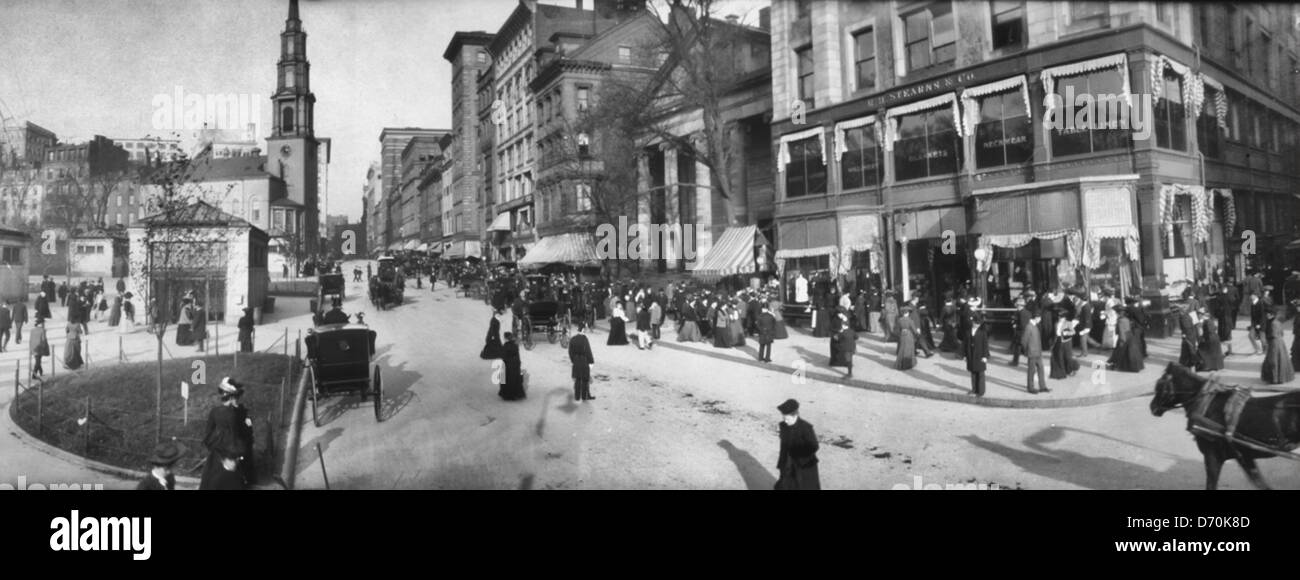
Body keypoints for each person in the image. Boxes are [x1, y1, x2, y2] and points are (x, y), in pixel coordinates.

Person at [198, 378, 252, 490]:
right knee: (232, 480)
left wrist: (214, 447)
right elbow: (236, 435)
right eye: (236, 397)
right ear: (232, 397)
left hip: (216, 453)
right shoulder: (234, 414)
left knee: (212, 480)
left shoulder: (214, 411)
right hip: (230, 453)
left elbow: (208, 434)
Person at [774, 399, 820, 490]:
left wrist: (797, 452)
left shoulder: (806, 428)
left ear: (795, 415)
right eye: (783, 418)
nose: (785, 421)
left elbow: (814, 446)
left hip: (803, 466)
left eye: (787, 418)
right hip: (787, 464)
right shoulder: (783, 426)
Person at [1262, 306, 1295, 384]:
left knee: (1273, 361)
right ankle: (1277, 378)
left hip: (1274, 343)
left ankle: (1275, 379)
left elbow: (1273, 334)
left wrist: (1266, 340)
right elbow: (1282, 333)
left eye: (1269, 314)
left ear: (1272, 315)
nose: (1267, 315)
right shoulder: (1276, 321)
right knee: (1279, 360)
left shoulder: (1273, 323)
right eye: (1267, 314)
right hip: (1279, 343)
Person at [1022, 310, 1048, 394]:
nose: (1040, 320)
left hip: (1038, 352)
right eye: (1039, 318)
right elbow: (1024, 341)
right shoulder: (1029, 327)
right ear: (1036, 318)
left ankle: (1042, 386)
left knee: (1041, 369)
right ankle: (1030, 387)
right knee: (1031, 371)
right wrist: (1026, 351)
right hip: (1032, 353)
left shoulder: (1035, 326)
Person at [568, 322, 595, 401]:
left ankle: (577, 396)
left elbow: (570, 352)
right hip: (584, 360)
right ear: (583, 329)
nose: (586, 330)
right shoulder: (584, 339)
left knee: (578, 379)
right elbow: (588, 351)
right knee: (585, 379)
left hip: (576, 361)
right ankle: (584, 396)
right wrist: (591, 361)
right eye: (585, 329)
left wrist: (573, 360)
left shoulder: (573, 339)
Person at [1049, 309, 1080, 379]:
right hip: (1058, 341)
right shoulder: (1056, 323)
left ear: (1064, 317)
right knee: (1059, 357)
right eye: (1059, 316)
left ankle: (1073, 368)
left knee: (1068, 357)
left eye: (1061, 317)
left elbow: (1073, 332)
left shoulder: (1068, 323)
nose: (1059, 318)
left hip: (1067, 342)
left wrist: (1067, 333)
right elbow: (1054, 334)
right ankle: (1062, 372)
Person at [967, 312, 991, 397]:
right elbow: (966, 343)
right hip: (971, 354)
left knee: (980, 374)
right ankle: (974, 389)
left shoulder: (983, 332)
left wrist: (985, 356)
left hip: (980, 355)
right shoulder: (969, 330)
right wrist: (965, 355)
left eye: (978, 323)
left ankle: (981, 391)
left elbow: (985, 345)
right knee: (973, 373)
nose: (977, 325)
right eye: (975, 323)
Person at [499, 332, 525, 401]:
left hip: (508, 365)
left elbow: (503, 356)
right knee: (515, 379)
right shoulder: (515, 345)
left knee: (507, 379)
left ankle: (508, 395)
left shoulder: (506, 346)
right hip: (515, 365)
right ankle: (517, 394)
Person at [1197, 306, 1225, 372]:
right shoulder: (1209, 320)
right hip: (1215, 338)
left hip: (1210, 339)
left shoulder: (1205, 322)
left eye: (1200, 314)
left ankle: (1208, 366)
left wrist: (1202, 337)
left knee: (1203, 351)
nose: (1198, 315)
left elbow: (1204, 332)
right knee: (1215, 353)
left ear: (1203, 314)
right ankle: (1216, 367)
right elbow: (1215, 328)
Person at [830, 312, 857, 377]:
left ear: (844, 326)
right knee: (850, 358)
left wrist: (837, 333)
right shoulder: (852, 331)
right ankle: (849, 371)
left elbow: (836, 338)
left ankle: (850, 373)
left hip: (846, 349)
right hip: (852, 348)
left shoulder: (843, 333)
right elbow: (856, 337)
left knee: (848, 361)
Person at [895, 305, 920, 370]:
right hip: (909, 335)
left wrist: (899, 335)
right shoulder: (910, 320)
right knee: (909, 349)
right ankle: (908, 364)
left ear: (903, 313)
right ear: (908, 313)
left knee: (902, 349)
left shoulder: (899, 320)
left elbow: (897, 330)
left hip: (902, 334)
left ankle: (900, 364)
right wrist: (917, 334)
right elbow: (914, 330)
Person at [1176, 304, 1201, 368]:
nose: (1179, 312)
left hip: (1188, 335)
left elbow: (1186, 327)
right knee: (1190, 348)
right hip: (1191, 334)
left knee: (1188, 349)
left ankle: (1188, 362)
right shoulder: (1187, 315)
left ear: (1182, 311)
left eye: (1180, 311)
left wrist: (1184, 334)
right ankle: (1190, 361)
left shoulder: (1184, 317)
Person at [1009, 297, 1029, 367]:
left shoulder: (1021, 313)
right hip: (1025, 333)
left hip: (1021, 333)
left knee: (1018, 348)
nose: (1016, 306)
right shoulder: (1026, 312)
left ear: (1020, 306)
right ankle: (1030, 362)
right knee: (1025, 348)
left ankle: (1015, 362)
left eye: (1017, 305)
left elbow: (1023, 325)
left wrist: (1016, 325)